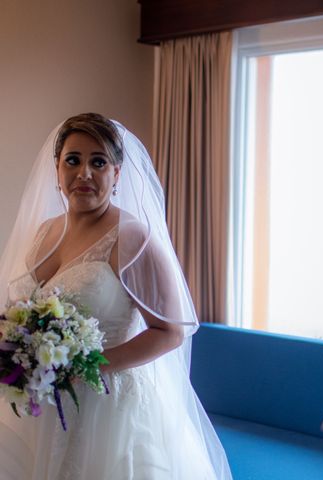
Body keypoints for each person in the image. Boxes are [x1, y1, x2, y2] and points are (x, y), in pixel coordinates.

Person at [0, 113, 232, 479]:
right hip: (43, 401)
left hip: (107, 411)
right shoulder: (45, 231)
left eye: (99, 162)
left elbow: (170, 331)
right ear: (57, 169)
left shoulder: (132, 238)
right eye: (73, 160)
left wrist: (89, 367)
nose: (85, 174)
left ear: (117, 173)